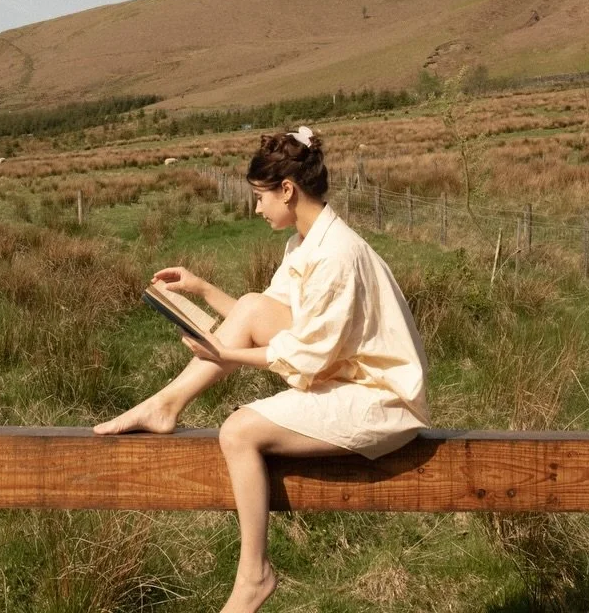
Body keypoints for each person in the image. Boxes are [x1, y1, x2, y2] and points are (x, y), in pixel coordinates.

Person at [94, 126, 430, 613]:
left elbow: (308, 355)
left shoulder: (337, 254)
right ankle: (165, 404)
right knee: (251, 304)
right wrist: (202, 288)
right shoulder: (305, 243)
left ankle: (255, 575)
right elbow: (260, 317)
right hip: (345, 377)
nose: (256, 209)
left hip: (380, 399)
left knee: (237, 431)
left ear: (287, 190)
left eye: (260, 197)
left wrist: (227, 357)